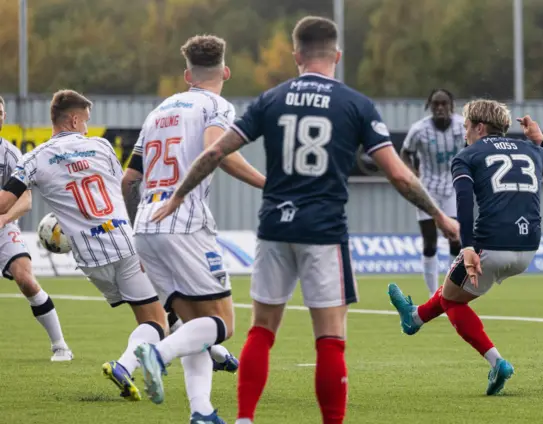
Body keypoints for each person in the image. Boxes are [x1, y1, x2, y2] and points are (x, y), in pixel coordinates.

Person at [151, 16, 459, 424]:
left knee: (262, 329)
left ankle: (244, 419)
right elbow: (399, 174)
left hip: (274, 226)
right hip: (323, 229)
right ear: (338, 55)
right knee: (330, 338)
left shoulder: (270, 99)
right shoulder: (356, 104)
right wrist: (439, 215)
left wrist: (177, 196)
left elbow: (213, 154)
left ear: (296, 55)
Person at [124, 35, 265, 424]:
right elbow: (215, 152)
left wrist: (140, 226)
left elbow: (129, 178)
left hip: (146, 226)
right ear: (226, 71)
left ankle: (201, 411)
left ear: (187, 74)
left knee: (195, 325)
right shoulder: (216, 104)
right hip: (185, 223)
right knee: (223, 323)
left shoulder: (157, 113)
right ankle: (157, 354)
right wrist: (267, 183)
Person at [388, 100, 543, 396]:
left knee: (452, 301)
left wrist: (467, 246)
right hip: (528, 248)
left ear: (480, 127)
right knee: (452, 288)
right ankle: (415, 317)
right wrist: (539, 138)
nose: (464, 133)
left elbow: (463, 202)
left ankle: (496, 361)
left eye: (466, 127)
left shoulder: (468, 155)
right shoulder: (531, 151)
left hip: (491, 245)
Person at [0, 90, 168, 401]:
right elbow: (125, 193)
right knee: (159, 319)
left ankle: (209, 352)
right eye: (86, 121)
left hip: (90, 260)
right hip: (124, 243)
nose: (88, 128)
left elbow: (4, 203)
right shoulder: (101, 147)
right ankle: (127, 365)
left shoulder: (32, 159)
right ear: (74, 119)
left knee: (153, 315)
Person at [0, 95, 72, 361]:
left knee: (26, 280)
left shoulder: (10, 154)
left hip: (3, 227)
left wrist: (5, 219)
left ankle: (60, 346)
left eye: (0, 111)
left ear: (4, 116)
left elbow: (26, 199)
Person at [400, 89, 465, 297]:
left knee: (456, 240)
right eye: (435, 104)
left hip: (452, 189)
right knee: (430, 243)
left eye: (444, 104)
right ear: (430, 106)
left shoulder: (463, 126)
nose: (439, 108)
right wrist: (412, 174)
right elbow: (405, 153)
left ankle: (451, 292)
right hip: (427, 190)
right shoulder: (419, 129)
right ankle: (432, 294)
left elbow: (474, 147)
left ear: (451, 106)